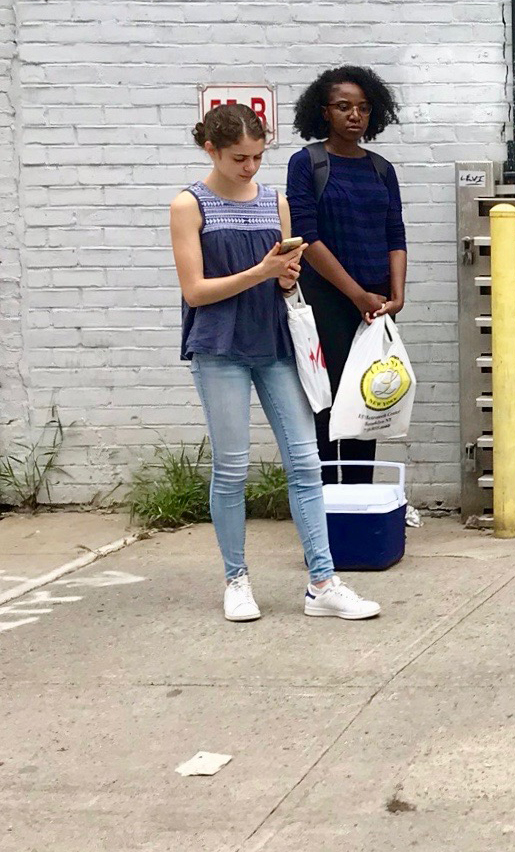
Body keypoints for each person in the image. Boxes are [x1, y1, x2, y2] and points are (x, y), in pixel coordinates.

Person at [170, 103, 382, 623]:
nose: (250, 168)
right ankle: (236, 580)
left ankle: (323, 582)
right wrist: (261, 272)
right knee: (232, 468)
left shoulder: (276, 202)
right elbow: (195, 292)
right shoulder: (188, 205)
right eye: (239, 158)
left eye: (258, 157)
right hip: (219, 345)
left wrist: (286, 278)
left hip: (276, 342)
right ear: (211, 150)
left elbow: (287, 281)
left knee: (308, 463)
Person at [286, 66, 406, 485]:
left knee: (367, 406)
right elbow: (306, 238)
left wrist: (397, 294)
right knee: (326, 407)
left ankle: (359, 505)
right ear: (324, 112)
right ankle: (324, 515)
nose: (354, 115)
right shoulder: (308, 164)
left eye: (363, 108)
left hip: (374, 307)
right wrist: (356, 295)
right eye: (343, 107)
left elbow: (395, 232)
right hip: (327, 305)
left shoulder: (381, 169)